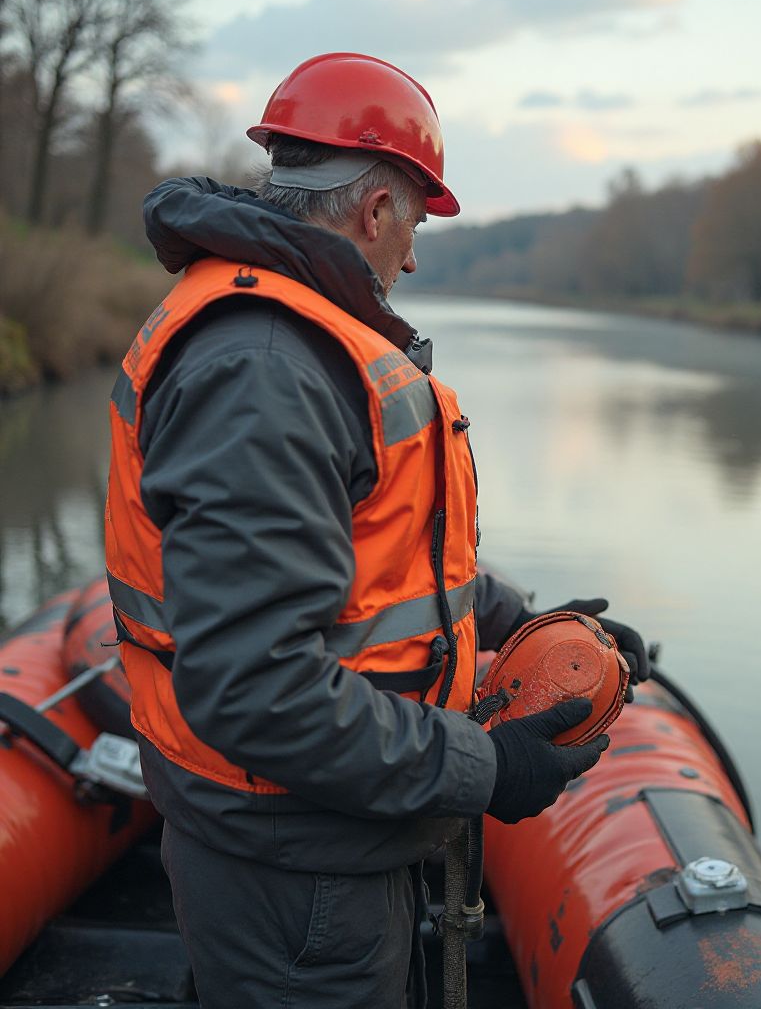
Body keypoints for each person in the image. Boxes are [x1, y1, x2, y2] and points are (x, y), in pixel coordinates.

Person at [104, 53, 649, 1008]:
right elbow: (255, 688)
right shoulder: (267, 366)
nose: (413, 259)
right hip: (289, 871)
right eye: (416, 224)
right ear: (377, 210)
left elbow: (371, 562)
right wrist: (488, 768)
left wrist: (523, 623)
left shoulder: (293, 340)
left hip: (331, 838)